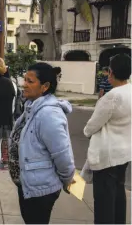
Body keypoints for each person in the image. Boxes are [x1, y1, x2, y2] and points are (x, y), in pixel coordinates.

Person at [8, 62, 75, 224]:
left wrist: (69, 180)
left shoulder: (48, 114)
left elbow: (62, 154)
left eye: (30, 81)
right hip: (28, 184)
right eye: (24, 80)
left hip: (41, 189)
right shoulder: (31, 106)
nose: (24, 85)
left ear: (45, 86)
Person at [84, 54, 131, 224]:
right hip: (124, 153)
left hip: (106, 156)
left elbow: (92, 126)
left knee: (104, 202)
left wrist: (86, 131)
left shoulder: (111, 97)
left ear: (111, 72)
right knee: (118, 194)